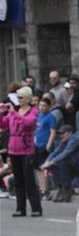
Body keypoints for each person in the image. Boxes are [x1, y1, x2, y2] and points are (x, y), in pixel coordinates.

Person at [0, 86, 41, 217]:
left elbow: (28, 123)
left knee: (29, 180)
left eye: (21, 97)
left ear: (28, 98)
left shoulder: (33, 111)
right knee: (18, 181)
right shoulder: (15, 111)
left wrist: (14, 113)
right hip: (13, 149)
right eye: (17, 97)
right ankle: (20, 208)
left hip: (26, 149)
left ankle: (36, 208)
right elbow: (5, 124)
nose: (18, 99)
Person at [40, 124, 79, 202]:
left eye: (63, 133)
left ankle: (67, 189)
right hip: (70, 163)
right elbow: (55, 152)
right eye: (60, 133)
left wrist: (52, 162)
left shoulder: (75, 139)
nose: (61, 135)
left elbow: (66, 153)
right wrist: (47, 162)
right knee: (52, 166)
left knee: (62, 162)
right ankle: (61, 187)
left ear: (70, 133)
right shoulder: (64, 141)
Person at [34, 97, 59, 201]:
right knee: (38, 168)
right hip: (37, 144)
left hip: (44, 144)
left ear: (48, 106)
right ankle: (41, 188)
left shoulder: (50, 117)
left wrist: (48, 144)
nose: (42, 108)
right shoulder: (39, 116)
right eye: (40, 105)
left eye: (44, 106)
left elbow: (53, 132)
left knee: (43, 168)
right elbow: (36, 130)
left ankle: (45, 189)